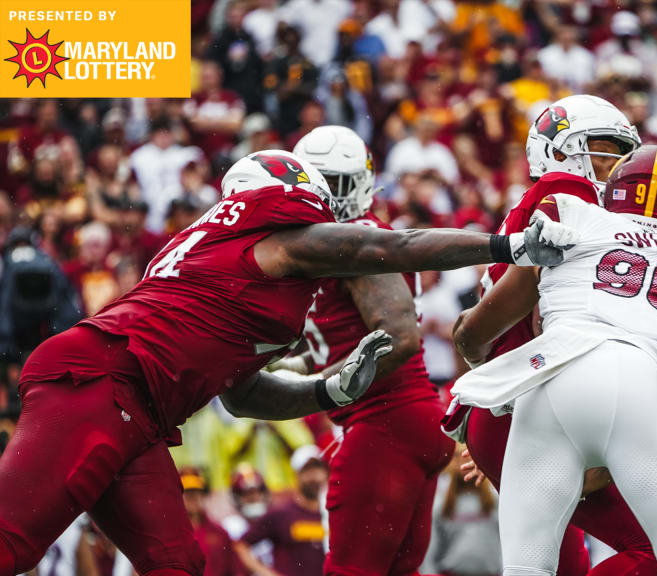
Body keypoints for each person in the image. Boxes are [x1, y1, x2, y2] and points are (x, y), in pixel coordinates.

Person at [0, 148, 577, 575]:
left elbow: (242, 393)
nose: (318, 215)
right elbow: (395, 248)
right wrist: (507, 246)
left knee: (177, 565)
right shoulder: (273, 242)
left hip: (138, 412)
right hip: (99, 382)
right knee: (13, 543)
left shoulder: (230, 261)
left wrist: (325, 392)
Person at [452, 144, 657, 576]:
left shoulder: (573, 218)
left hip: (542, 382)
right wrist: (624, 452)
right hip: (630, 380)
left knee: (526, 570)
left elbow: (474, 334)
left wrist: (478, 363)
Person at [446, 94, 657, 576]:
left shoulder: (537, 206)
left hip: (517, 408)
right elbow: (556, 322)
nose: (616, 167)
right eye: (604, 150)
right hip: (539, 408)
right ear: (559, 150)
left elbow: (497, 328)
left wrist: (491, 416)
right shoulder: (566, 193)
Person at [275, 125, 455, 576]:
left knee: (350, 571)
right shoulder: (320, 246)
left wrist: (311, 388)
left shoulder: (357, 238)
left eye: (333, 183)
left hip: (385, 419)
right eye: (313, 182)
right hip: (400, 419)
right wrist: (292, 366)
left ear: (360, 184)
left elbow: (396, 337)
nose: (324, 195)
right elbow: (332, 340)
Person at [235, 446, 328, 576]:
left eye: (318, 469)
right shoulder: (281, 514)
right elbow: (240, 546)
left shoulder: (331, 516)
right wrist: (267, 573)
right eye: (307, 471)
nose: (314, 477)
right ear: (296, 475)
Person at [179, 467, 245, 576]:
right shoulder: (170, 535)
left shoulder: (219, 533)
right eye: (187, 492)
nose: (193, 497)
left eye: (197, 492)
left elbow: (236, 570)